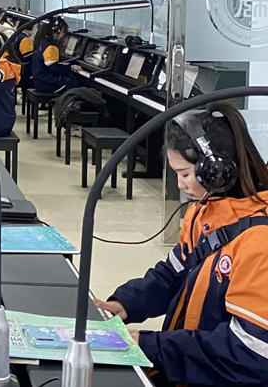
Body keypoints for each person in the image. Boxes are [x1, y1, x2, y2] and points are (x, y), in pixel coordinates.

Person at [96, 102, 268, 387]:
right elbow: (173, 274)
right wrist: (126, 304)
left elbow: (250, 352)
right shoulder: (204, 213)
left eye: (185, 174)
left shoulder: (259, 242)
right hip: (187, 371)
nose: (180, 184)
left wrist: (153, 346)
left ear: (216, 171)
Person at [32, 17, 81, 94]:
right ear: (57, 31)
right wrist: (71, 67)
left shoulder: (41, 42)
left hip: (39, 81)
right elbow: (54, 68)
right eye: (63, 32)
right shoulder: (51, 47)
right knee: (73, 83)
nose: (63, 35)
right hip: (47, 83)